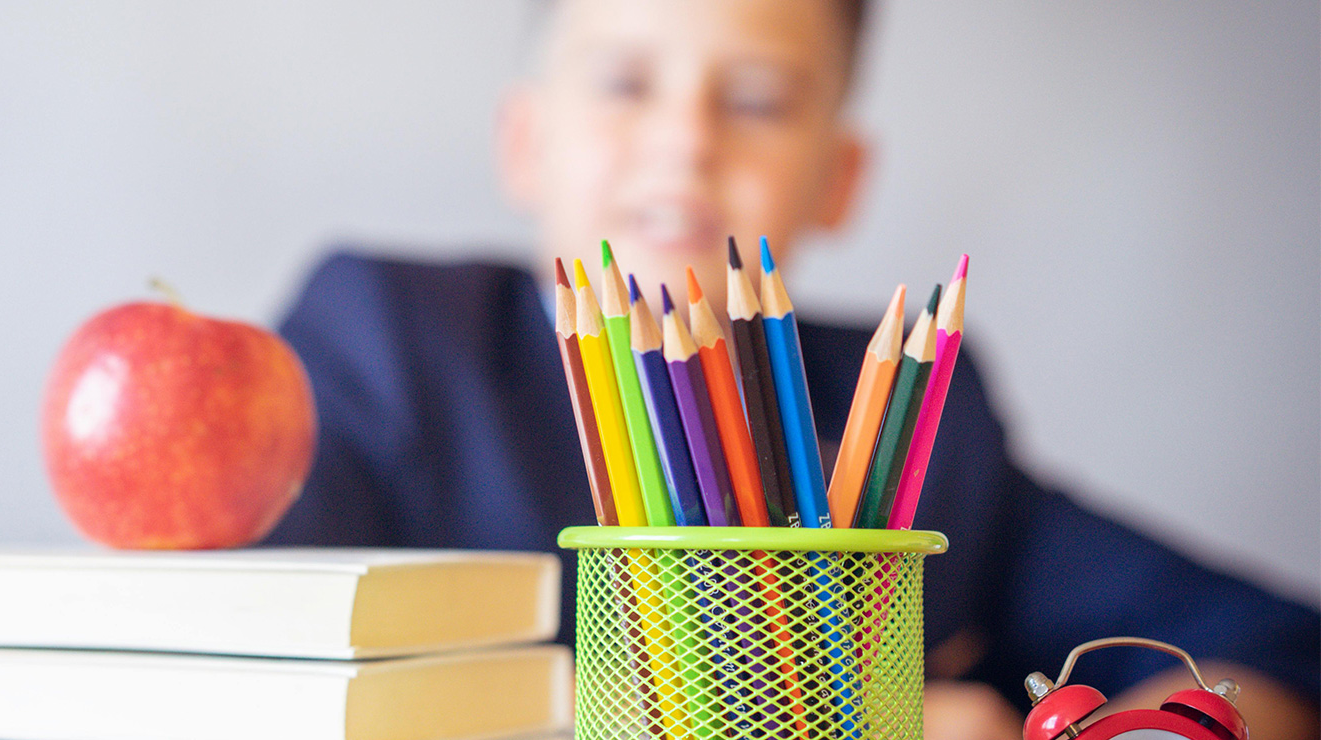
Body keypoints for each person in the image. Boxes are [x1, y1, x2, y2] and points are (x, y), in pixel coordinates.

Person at [263, 1, 1320, 738]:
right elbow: (253, 656)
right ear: (525, 141)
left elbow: (1267, 642)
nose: (684, 140)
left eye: (760, 99)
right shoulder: (386, 336)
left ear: (838, 178)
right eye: (625, 82)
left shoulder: (916, 413)